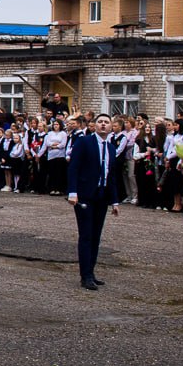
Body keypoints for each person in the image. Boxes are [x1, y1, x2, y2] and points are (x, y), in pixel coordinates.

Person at [68, 113, 120, 291]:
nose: (103, 125)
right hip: (84, 196)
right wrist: (72, 192)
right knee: (86, 235)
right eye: (100, 122)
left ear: (112, 126)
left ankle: (91, 271)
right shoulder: (84, 142)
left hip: (102, 196)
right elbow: (73, 167)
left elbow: (111, 176)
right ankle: (85, 276)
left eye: (107, 122)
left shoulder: (111, 148)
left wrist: (114, 201)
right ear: (94, 125)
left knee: (96, 236)